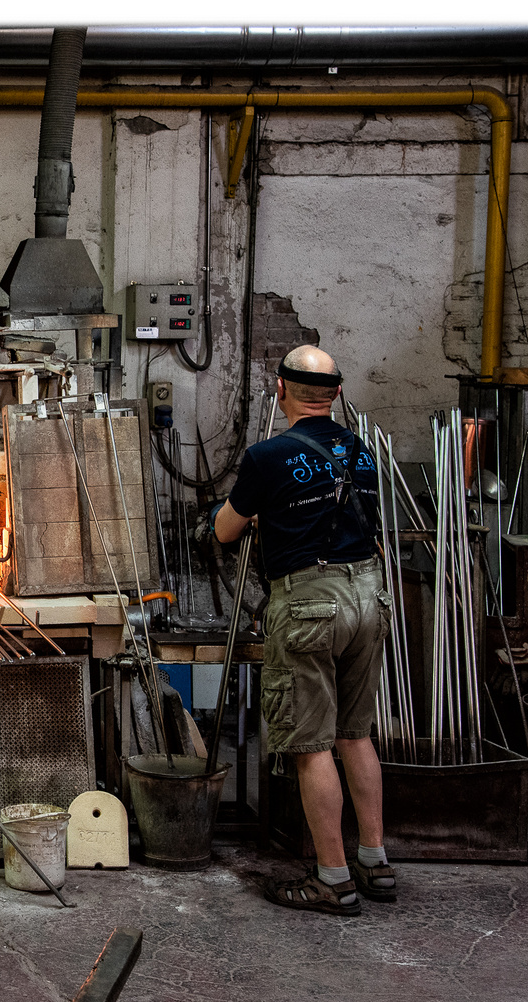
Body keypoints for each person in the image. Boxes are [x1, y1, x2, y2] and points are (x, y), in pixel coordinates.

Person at [212, 345, 397, 916]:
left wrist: (263, 512)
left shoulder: (268, 456)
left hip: (312, 603)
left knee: (312, 743)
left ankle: (333, 879)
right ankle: (373, 861)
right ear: (337, 393)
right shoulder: (362, 450)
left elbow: (223, 530)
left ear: (279, 390)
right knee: (355, 733)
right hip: (370, 594)